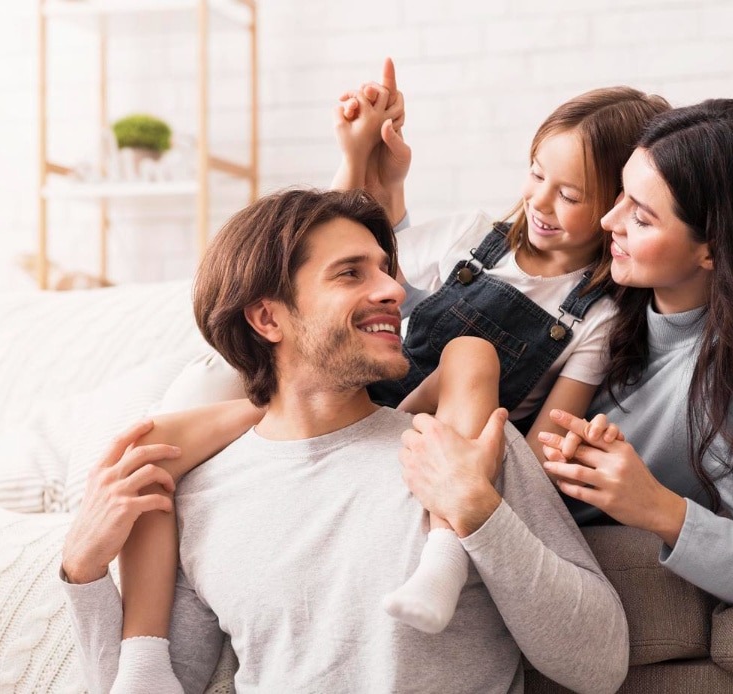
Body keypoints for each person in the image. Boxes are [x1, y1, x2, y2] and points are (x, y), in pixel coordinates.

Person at [109, 55, 670, 658]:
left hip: (446, 428)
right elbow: (352, 259)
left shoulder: (598, 316)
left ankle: (444, 555)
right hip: (357, 393)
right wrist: (361, 158)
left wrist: (507, 482)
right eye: (536, 176)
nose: (541, 202)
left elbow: (544, 445)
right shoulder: (473, 238)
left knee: (471, 354)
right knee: (151, 443)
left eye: (569, 195)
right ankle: (141, 657)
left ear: (616, 208)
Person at [60, 188, 630, 694]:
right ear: (267, 319)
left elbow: (600, 667)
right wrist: (82, 572)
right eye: (351, 273)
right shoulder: (204, 492)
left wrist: (477, 511)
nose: (393, 290)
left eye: (385, 269)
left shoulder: (462, 448)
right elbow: (157, 683)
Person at [537, 99, 733, 606]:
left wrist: (659, 508)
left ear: (714, 249)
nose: (607, 220)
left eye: (640, 217)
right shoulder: (604, 282)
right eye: (621, 194)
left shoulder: (726, 391)